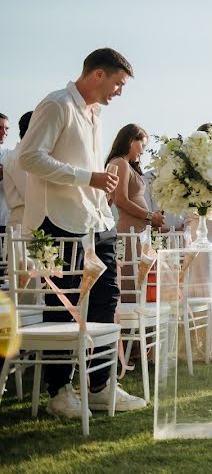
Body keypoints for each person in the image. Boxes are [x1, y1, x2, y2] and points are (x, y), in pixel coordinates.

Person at [18, 47, 146, 417]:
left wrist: (99, 184)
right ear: (98, 75)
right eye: (118, 84)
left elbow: (86, 165)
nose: (119, 91)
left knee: (108, 299)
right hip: (58, 220)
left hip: (96, 220)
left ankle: (102, 386)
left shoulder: (96, 114)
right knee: (65, 305)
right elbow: (29, 156)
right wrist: (86, 177)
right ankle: (60, 392)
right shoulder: (57, 104)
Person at [106, 124, 165, 234]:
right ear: (130, 140)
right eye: (142, 145)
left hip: (137, 231)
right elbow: (121, 200)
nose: (142, 152)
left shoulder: (124, 164)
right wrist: (151, 216)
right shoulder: (120, 163)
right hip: (130, 232)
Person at [2, 112, 32, 231]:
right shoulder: (18, 158)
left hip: (25, 221)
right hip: (21, 224)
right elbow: (30, 193)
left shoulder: (21, 156)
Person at [0, 112, 11, 235]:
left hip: (5, 221)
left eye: (6, 128)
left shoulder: (10, 155)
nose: (4, 132)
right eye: (0, 128)